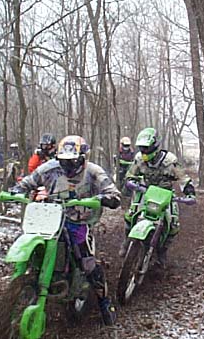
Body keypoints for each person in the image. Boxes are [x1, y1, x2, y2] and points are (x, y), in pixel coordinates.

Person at [9, 135, 121, 326]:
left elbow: (113, 192)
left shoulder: (93, 171)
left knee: (87, 263)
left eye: (72, 161)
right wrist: (17, 189)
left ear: (82, 158)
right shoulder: (49, 168)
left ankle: (104, 301)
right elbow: (29, 181)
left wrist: (106, 198)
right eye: (64, 161)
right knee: (30, 240)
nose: (67, 166)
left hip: (78, 221)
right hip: (48, 216)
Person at [119, 127, 196, 265]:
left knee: (173, 224)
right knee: (130, 215)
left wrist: (189, 192)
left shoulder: (170, 161)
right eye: (141, 148)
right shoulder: (139, 159)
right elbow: (131, 174)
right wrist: (130, 181)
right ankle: (126, 241)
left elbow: (182, 177)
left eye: (146, 148)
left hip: (165, 193)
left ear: (154, 146)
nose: (143, 151)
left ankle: (162, 250)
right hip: (145, 191)